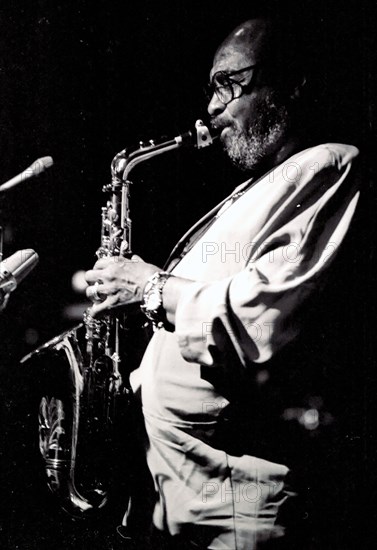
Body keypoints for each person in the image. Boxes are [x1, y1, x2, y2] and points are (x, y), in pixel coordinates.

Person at [85, 13, 361, 550]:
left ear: (290, 85)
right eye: (211, 88)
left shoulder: (327, 168)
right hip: (182, 497)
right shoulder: (257, 189)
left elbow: (260, 321)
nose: (212, 107)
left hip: (238, 510)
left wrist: (150, 288)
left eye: (229, 83)